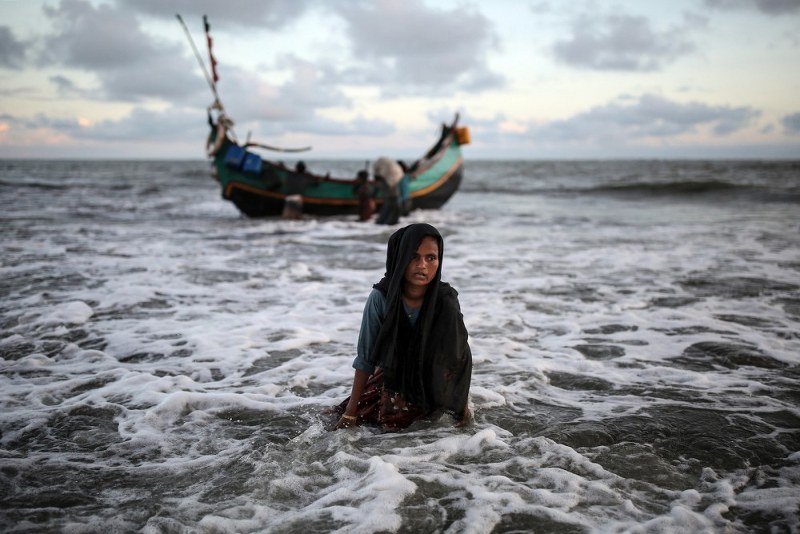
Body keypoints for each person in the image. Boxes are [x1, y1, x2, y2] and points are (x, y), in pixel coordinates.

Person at [332, 223, 473, 432]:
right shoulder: (381, 297)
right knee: (380, 427)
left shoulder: (446, 299)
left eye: (431, 258)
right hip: (394, 376)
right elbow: (366, 358)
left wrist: (461, 406)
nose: (422, 265)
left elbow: (458, 357)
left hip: (434, 380)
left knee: (439, 430)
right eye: (413, 256)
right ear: (399, 258)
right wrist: (350, 412)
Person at [373, 157, 402, 225]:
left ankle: (381, 222)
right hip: (392, 197)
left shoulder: (388, 179)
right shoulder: (391, 178)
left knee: (388, 210)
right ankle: (384, 223)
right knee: (390, 210)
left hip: (391, 197)